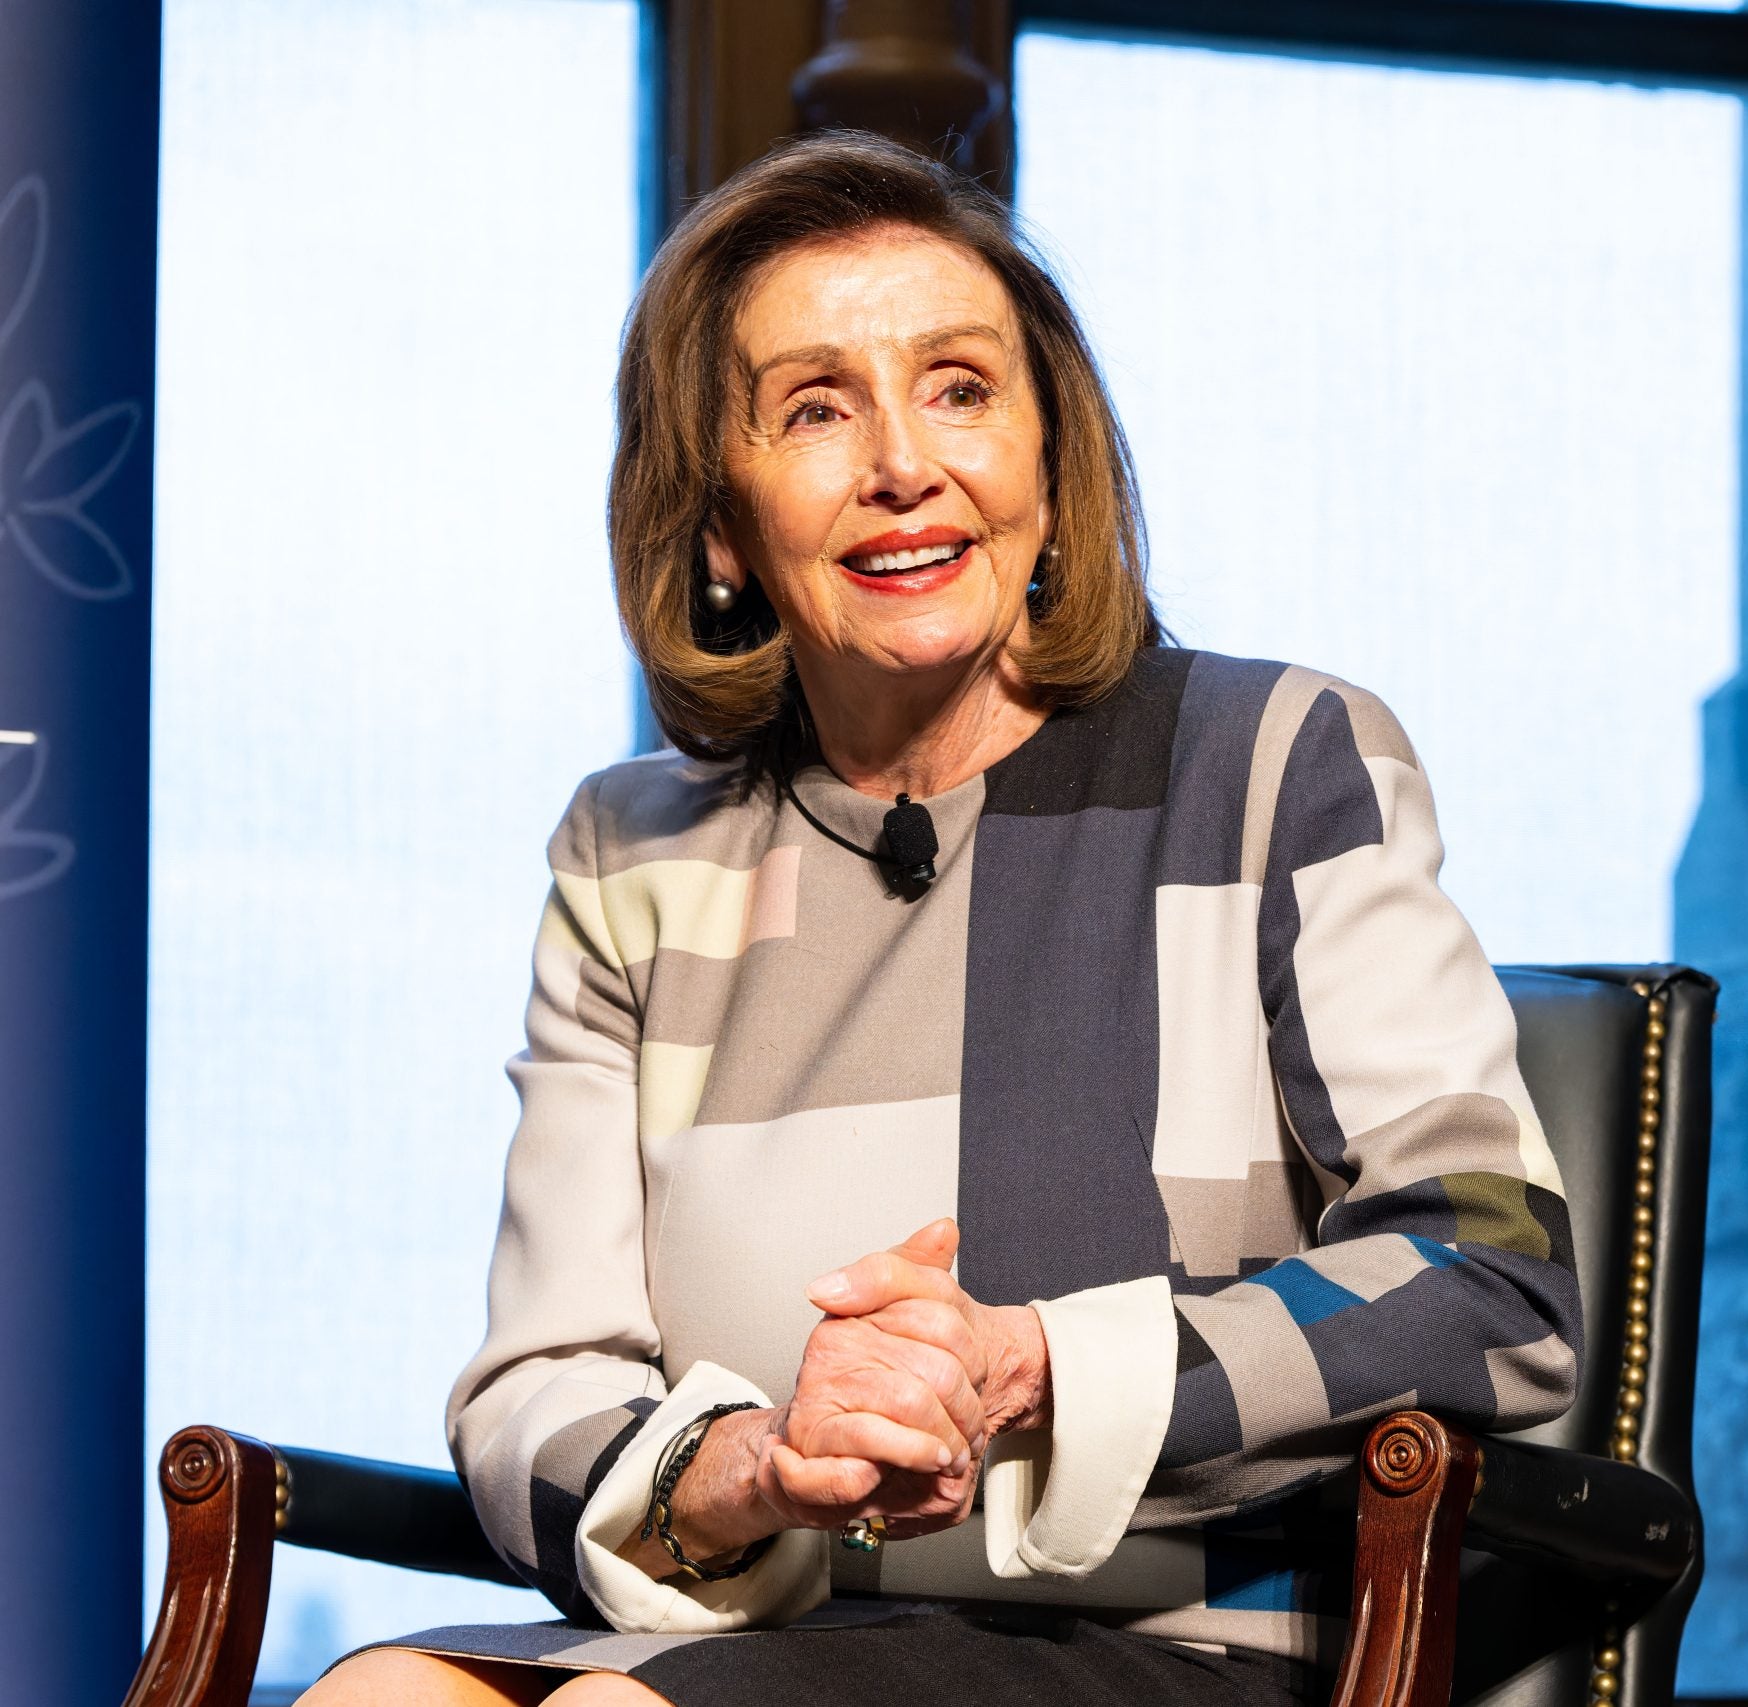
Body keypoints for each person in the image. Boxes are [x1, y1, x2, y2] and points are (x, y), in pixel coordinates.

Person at [304, 130, 1580, 1707]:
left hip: (1169, 1641)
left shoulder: (1275, 767)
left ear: (1052, 467)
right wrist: (757, 1465)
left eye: (961, 388)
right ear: (719, 524)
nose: (904, 460)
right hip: (757, 1630)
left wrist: (1035, 1369)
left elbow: (1492, 1276)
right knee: (376, 1695)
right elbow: (537, 1389)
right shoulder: (633, 852)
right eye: (816, 408)